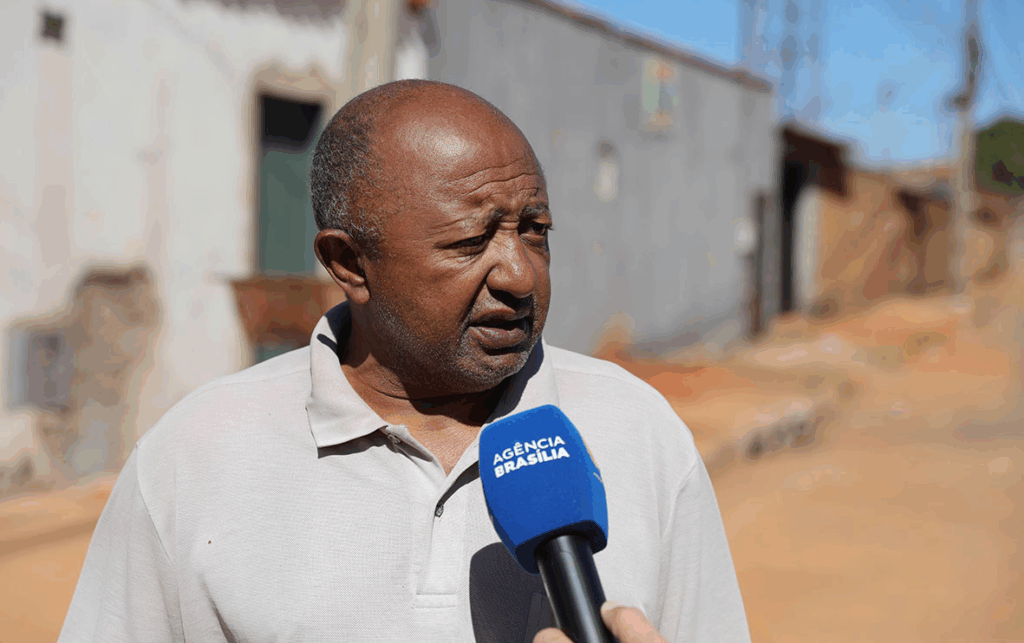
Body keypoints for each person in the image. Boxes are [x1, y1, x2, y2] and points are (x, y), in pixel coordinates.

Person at [58, 81, 749, 643]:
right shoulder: (192, 458)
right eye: (470, 240)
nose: (519, 274)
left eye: (534, 231)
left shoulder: (641, 433)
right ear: (350, 264)